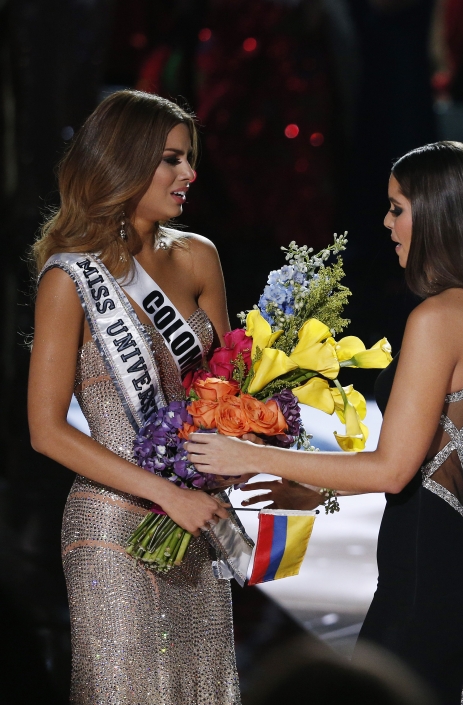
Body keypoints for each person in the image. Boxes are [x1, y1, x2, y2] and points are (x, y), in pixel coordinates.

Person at [187, 141, 463, 705]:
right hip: (447, 558)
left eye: (398, 208)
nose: (387, 222)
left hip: (433, 571)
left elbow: (393, 470)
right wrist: (313, 487)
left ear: (438, 212)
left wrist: (250, 455)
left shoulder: (439, 317)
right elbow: (416, 460)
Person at [27, 90, 240, 703]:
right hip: (112, 528)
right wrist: (166, 493)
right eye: (172, 159)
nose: (189, 173)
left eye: (189, 158)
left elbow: (227, 390)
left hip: (196, 523)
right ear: (124, 163)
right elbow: (46, 430)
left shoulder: (199, 257)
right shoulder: (71, 278)